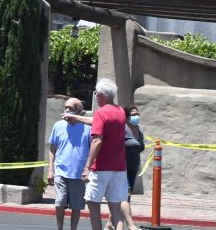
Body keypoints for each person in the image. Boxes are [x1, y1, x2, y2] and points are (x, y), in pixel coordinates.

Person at [82, 78, 136, 230]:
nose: (96, 97)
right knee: (115, 206)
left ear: (101, 94)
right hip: (119, 167)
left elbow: (97, 141)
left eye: (96, 94)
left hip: (101, 167)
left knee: (92, 203)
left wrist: (87, 166)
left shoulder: (101, 113)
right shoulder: (120, 111)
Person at [48, 97, 92, 230]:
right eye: (65, 107)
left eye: (70, 108)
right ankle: (60, 228)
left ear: (79, 111)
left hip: (78, 173)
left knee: (76, 206)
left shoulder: (87, 128)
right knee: (60, 202)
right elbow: (52, 148)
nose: (67, 110)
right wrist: (50, 169)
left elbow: (93, 149)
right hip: (61, 171)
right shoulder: (58, 125)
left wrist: (88, 169)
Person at [123, 105, 145, 195]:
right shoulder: (122, 129)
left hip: (134, 167)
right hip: (122, 167)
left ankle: (122, 208)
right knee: (126, 192)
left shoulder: (139, 131)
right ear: (127, 116)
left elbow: (140, 147)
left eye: (137, 114)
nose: (136, 116)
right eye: (134, 114)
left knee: (128, 194)